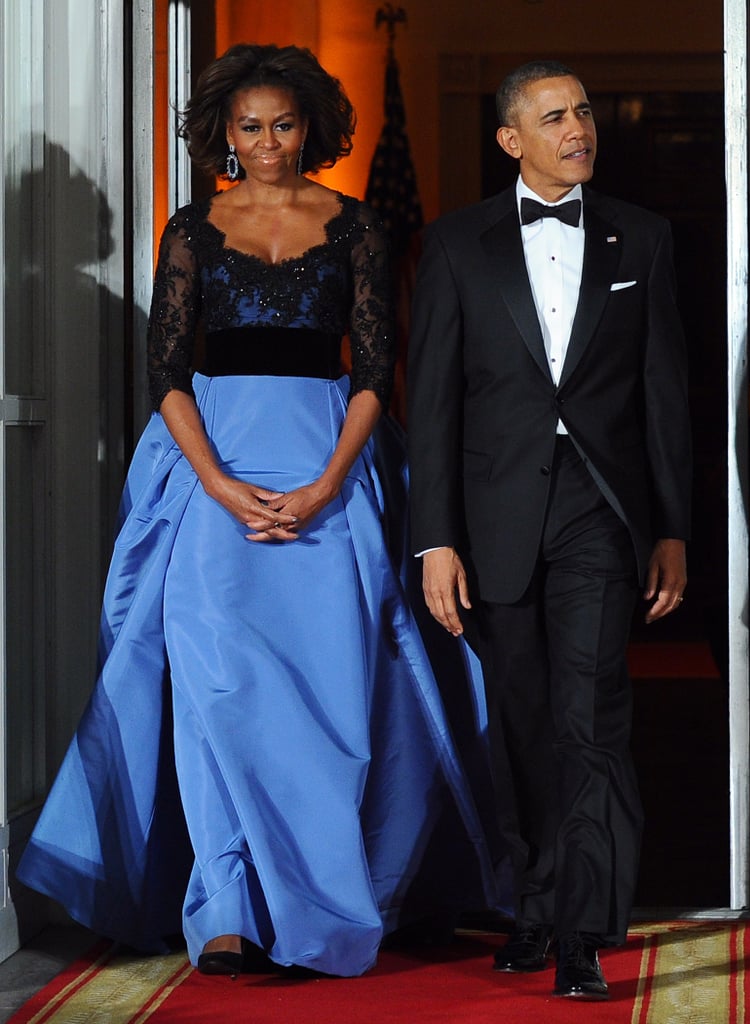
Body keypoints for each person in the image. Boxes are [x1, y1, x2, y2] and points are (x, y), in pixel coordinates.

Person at [18, 43, 494, 979]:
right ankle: (226, 907)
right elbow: (164, 374)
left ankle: (327, 899)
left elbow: (373, 369)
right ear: (222, 136)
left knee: (330, 701)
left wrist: (325, 484)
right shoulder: (191, 230)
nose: (268, 142)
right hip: (211, 477)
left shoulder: (358, 227)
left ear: (309, 126)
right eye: (249, 127)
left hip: (332, 471)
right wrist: (220, 484)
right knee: (213, 694)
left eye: (282, 124)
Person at [407, 59, 691, 1001]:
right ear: (509, 140)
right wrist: (433, 539)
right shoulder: (455, 245)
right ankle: (532, 904)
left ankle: (583, 926)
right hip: (492, 521)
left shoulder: (640, 239)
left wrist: (670, 527)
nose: (579, 127)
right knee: (522, 723)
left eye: (583, 111)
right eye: (554, 115)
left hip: (598, 516)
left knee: (591, 719)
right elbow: (433, 403)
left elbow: (664, 397)